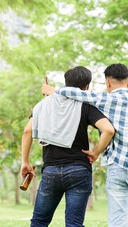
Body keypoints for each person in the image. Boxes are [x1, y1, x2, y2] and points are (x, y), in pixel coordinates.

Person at [42, 63, 128, 227]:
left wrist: (53, 90)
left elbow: (75, 93)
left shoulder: (105, 99)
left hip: (117, 167)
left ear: (108, 82)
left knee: (117, 220)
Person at [21, 66, 115, 227]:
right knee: (74, 223)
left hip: (51, 171)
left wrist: (25, 162)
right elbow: (108, 129)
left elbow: (27, 131)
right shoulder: (85, 106)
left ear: (66, 82)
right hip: (79, 170)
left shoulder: (42, 105)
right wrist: (96, 152)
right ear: (86, 87)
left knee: (39, 222)